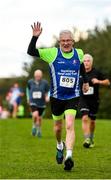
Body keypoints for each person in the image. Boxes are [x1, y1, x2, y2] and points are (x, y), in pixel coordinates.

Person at [27, 22, 89, 171]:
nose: (66, 43)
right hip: (56, 97)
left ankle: (69, 156)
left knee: (69, 125)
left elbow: (81, 67)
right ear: (59, 42)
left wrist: (85, 82)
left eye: (69, 40)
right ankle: (59, 145)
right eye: (63, 41)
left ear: (73, 41)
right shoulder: (52, 53)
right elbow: (31, 51)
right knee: (57, 128)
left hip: (73, 96)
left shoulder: (79, 53)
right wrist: (34, 38)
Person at [79, 54, 110, 148]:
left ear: (91, 62)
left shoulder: (97, 72)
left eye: (88, 61)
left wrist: (98, 81)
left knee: (92, 121)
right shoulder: (79, 72)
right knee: (84, 118)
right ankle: (87, 138)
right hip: (83, 99)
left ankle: (91, 138)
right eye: (84, 61)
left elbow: (108, 82)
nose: (86, 63)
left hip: (94, 100)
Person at [26, 70, 49, 138]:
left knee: (39, 118)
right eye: (36, 75)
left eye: (39, 75)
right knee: (35, 114)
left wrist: (47, 97)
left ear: (41, 75)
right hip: (33, 101)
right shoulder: (30, 82)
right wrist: (28, 98)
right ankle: (34, 126)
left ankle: (39, 130)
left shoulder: (45, 82)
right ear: (34, 75)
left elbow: (48, 90)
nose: (38, 77)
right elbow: (28, 89)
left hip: (42, 102)